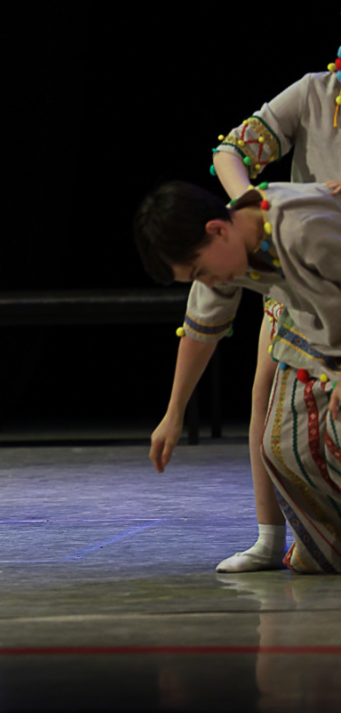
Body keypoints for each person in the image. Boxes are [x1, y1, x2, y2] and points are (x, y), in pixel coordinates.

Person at [133, 179, 341, 574]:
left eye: (200, 272)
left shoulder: (301, 228)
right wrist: (174, 413)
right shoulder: (228, 253)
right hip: (325, 338)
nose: (208, 283)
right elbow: (201, 329)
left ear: (217, 230)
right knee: (284, 449)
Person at [208, 48, 341, 571]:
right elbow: (230, 150)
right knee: (265, 403)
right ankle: (271, 536)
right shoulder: (315, 93)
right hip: (300, 271)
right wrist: (253, 204)